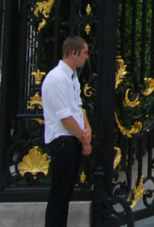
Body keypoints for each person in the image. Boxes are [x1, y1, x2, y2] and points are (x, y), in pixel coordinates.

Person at [42, 35, 92, 227]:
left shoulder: (71, 77)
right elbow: (65, 117)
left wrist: (87, 128)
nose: (86, 57)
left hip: (72, 141)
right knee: (59, 195)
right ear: (74, 53)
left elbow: (78, 108)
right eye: (84, 53)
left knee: (65, 193)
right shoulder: (56, 79)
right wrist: (84, 139)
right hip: (62, 143)